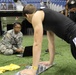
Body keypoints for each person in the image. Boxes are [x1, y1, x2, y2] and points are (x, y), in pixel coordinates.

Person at [18, 4, 76, 75]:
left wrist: (33, 70)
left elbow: (37, 43)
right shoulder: (46, 18)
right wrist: (50, 62)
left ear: (27, 16)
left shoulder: (36, 16)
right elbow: (51, 42)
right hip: (73, 37)